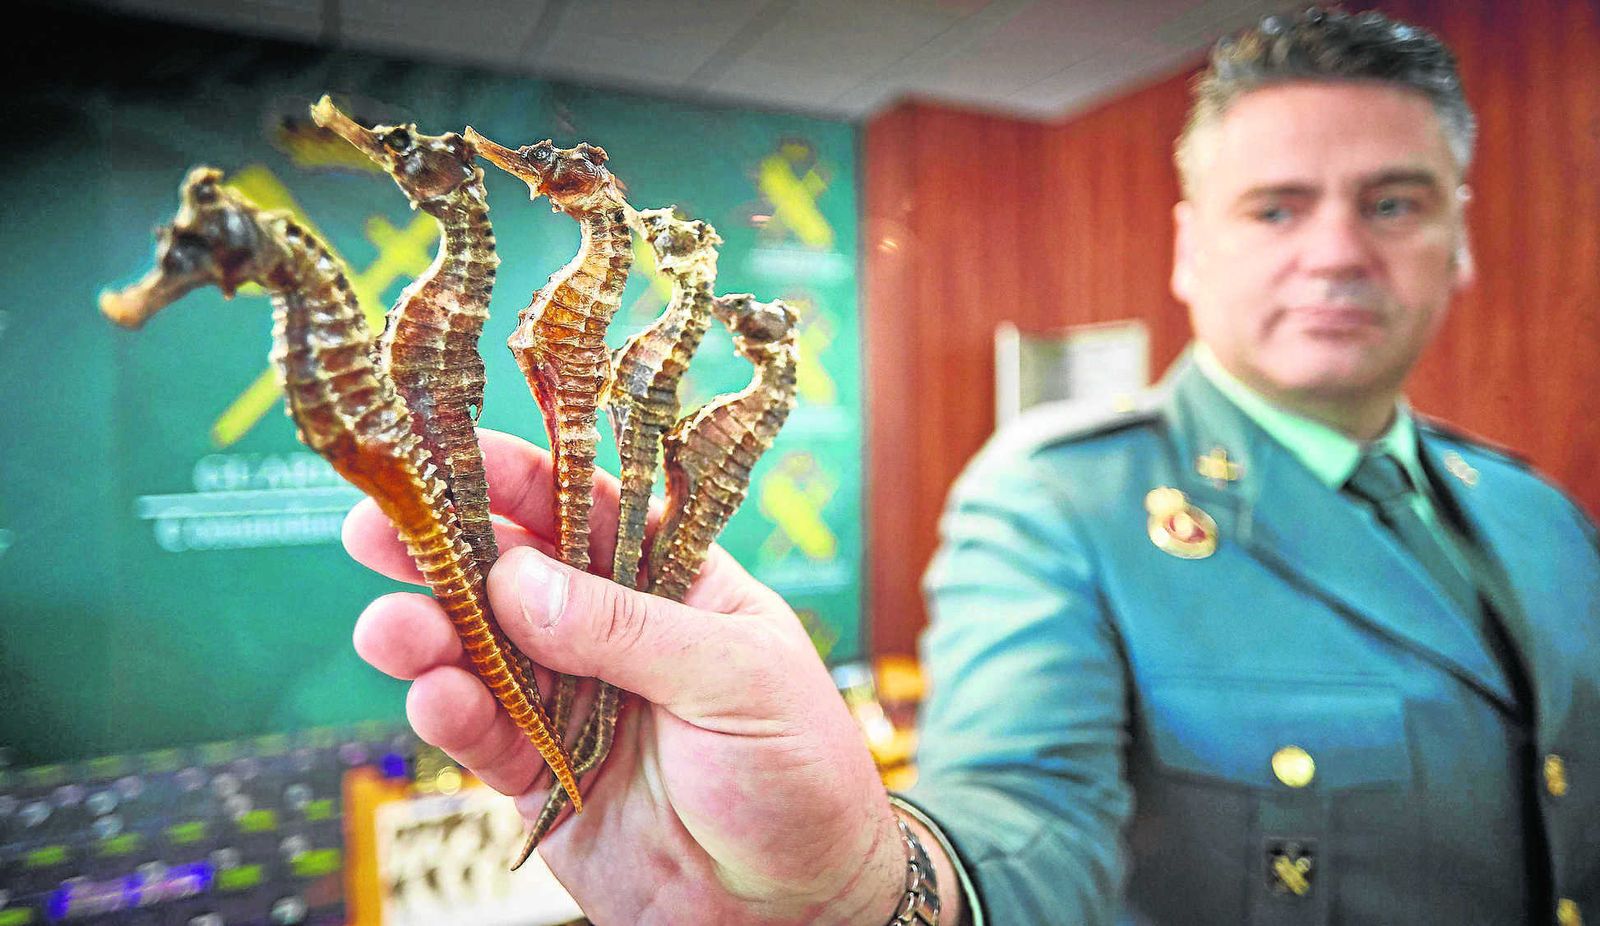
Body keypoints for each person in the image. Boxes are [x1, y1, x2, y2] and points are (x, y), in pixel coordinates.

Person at [343, 7, 1600, 925]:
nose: (1334, 250)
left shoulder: (1542, 517)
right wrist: (866, 889)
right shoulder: (1056, 499)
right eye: (1274, 206)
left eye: (1393, 201)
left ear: (1458, 239)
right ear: (1186, 248)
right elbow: (1021, 816)